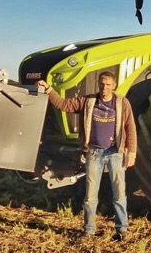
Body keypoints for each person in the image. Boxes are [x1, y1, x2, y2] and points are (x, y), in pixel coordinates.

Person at [37, 72, 137, 241]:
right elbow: (64, 105)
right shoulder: (88, 101)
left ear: (114, 86)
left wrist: (132, 153)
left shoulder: (122, 103)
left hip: (115, 153)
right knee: (90, 196)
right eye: (102, 84)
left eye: (108, 85)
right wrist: (49, 90)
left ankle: (122, 230)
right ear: (98, 85)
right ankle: (89, 230)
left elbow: (130, 128)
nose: (104, 88)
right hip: (94, 153)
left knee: (119, 194)